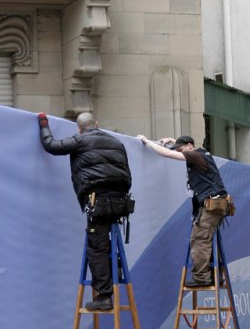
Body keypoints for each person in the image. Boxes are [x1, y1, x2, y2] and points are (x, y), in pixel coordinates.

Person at [38, 112, 133, 311]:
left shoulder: (80, 140)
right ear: (97, 124)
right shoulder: (116, 142)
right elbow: (127, 176)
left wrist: (43, 123)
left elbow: (51, 146)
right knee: (107, 242)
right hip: (120, 203)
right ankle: (117, 273)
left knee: (97, 247)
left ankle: (104, 296)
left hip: (97, 202)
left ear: (79, 128)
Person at [137, 134, 229, 287]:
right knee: (207, 239)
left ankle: (201, 277)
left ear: (189, 146)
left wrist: (146, 142)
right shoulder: (202, 153)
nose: (180, 152)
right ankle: (215, 275)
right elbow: (183, 146)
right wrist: (172, 141)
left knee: (199, 238)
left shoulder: (195, 156)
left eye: (181, 149)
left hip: (211, 205)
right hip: (218, 204)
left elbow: (167, 154)